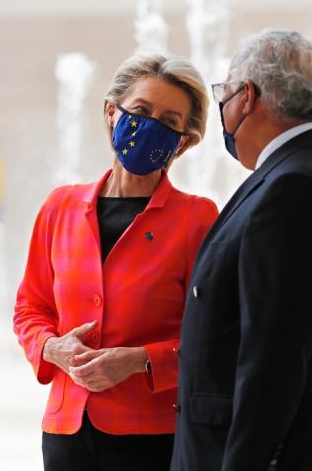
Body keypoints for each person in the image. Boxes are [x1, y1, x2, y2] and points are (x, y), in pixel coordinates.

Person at [170, 29, 312, 471]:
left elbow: (274, 355)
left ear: (247, 96)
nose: (223, 108)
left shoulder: (293, 187)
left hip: (286, 453)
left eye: (224, 93)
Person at [14, 53, 219, 471]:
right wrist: (52, 348)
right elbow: (29, 310)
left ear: (184, 140)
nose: (151, 127)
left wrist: (139, 360)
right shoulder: (60, 207)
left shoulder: (197, 218)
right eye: (141, 112)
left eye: (169, 121)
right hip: (66, 434)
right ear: (112, 112)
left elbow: (215, 336)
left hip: (153, 438)